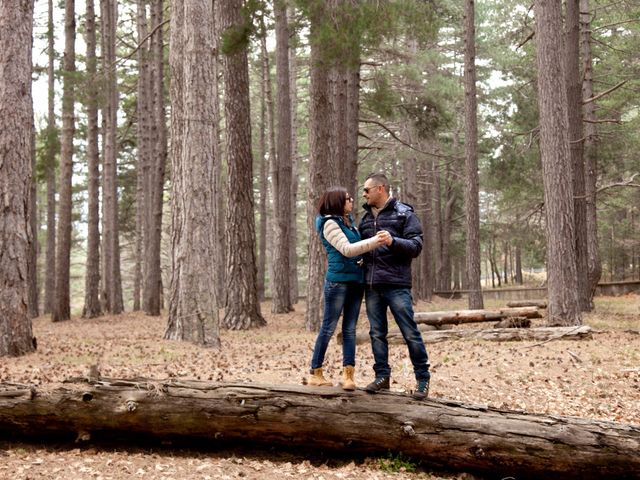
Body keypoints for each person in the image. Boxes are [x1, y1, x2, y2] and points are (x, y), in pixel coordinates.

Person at [358, 173, 431, 399]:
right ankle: (382, 377)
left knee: (410, 332)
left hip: (397, 284)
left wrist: (393, 241)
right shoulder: (365, 218)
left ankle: (422, 380)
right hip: (372, 285)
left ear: (380, 189)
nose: (364, 194)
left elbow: (416, 246)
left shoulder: (404, 214)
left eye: (367, 190)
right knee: (377, 334)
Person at [308, 187, 387, 391]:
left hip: (355, 281)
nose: (352, 201)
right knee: (328, 327)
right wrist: (376, 241)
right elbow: (348, 250)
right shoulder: (329, 224)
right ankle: (315, 372)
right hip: (338, 282)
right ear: (336, 202)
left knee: (350, 329)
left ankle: (348, 375)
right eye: (347, 199)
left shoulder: (348, 222)